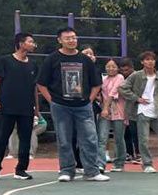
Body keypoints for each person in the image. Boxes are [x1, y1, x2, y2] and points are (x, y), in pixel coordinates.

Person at [37, 26, 108, 182]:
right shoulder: (52, 59)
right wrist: (52, 101)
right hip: (60, 106)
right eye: (68, 38)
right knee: (64, 139)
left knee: (90, 138)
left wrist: (90, 99)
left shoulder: (85, 60)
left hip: (83, 106)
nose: (72, 40)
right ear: (60, 40)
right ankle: (67, 170)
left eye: (74, 37)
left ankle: (92, 171)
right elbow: (41, 83)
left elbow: (96, 83)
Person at [0, 32, 39, 182]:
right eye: (30, 42)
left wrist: (36, 108)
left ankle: (21, 169)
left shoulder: (33, 64)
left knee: (25, 139)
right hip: (7, 106)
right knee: (1, 138)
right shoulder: (5, 61)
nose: (33, 45)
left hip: (26, 108)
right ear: (21, 44)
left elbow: (34, 87)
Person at [121, 50, 158, 173]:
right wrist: (136, 98)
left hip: (157, 112)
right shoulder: (136, 75)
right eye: (147, 59)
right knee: (144, 140)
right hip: (142, 112)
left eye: (152, 59)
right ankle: (147, 164)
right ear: (142, 62)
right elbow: (122, 88)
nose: (150, 62)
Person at [97, 58, 127, 172]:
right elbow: (101, 94)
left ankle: (119, 163)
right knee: (102, 138)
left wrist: (105, 108)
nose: (111, 69)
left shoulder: (120, 77)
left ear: (118, 68)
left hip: (118, 111)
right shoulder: (103, 79)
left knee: (118, 138)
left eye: (113, 66)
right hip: (105, 111)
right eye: (108, 66)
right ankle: (100, 163)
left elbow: (112, 93)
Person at [117, 57, 139, 162]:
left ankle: (138, 153)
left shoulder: (138, 76)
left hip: (136, 108)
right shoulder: (120, 78)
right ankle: (129, 153)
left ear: (132, 68)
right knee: (126, 133)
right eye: (122, 70)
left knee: (136, 132)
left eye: (126, 70)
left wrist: (135, 98)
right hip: (124, 109)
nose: (124, 72)